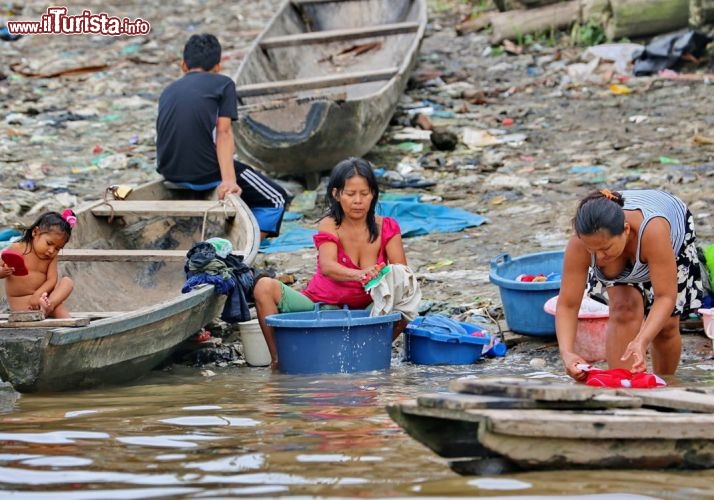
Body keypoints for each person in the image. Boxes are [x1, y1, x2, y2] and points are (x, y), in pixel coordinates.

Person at [253, 157, 417, 369]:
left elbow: (401, 273)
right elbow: (328, 266)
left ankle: (376, 350)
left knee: (407, 296)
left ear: (373, 194)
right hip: (320, 305)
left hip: (369, 311)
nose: (358, 200)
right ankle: (279, 361)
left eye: (364, 194)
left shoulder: (387, 227)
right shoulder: (329, 224)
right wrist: (358, 274)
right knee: (263, 287)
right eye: (350, 194)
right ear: (336, 194)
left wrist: (383, 273)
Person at [556, 188, 704, 381]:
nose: (599, 257)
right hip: (619, 243)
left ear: (626, 230)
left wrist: (641, 341)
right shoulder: (582, 244)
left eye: (605, 248)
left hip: (671, 231)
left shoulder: (653, 231)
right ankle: (620, 385)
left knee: (665, 326)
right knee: (624, 309)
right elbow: (568, 304)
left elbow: (666, 297)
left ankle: (664, 384)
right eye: (592, 250)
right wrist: (567, 353)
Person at [156, 33, 289, 239]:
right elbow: (224, 132)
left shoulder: (168, 90)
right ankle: (244, 242)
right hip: (205, 173)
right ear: (218, 66)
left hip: (170, 172)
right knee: (276, 198)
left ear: (183, 65)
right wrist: (228, 180)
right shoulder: (223, 84)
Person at [1, 210, 76, 318]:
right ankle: (48, 307)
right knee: (57, 307)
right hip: (24, 303)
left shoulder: (51, 257)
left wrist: (39, 295)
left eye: (57, 248)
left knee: (67, 282)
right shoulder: (17, 248)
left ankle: (49, 307)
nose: (51, 250)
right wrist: (2, 272)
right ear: (35, 232)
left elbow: (52, 280)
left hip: (45, 299)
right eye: (49, 243)